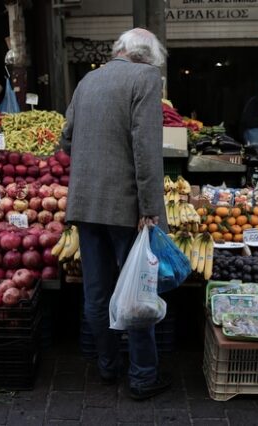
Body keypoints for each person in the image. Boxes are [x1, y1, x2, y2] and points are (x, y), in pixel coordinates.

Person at [60, 28, 171, 400]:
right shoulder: (146, 78)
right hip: (126, 206)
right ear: (147, 57)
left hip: (86, 203)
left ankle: (107, 367)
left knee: (96, 293)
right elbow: (146, 149)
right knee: (138, 292)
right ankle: (142, 377)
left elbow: (66, 139)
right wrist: (150, 208)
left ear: (120, 50)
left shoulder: (88, 79)